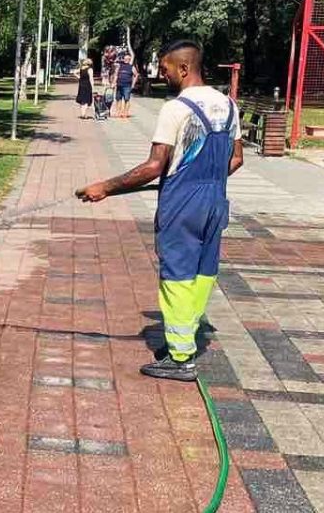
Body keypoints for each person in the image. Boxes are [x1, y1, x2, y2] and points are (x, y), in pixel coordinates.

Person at [73, 39, 244, 381]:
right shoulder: (228, 105)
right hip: (215, 201)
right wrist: (202, 178)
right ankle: (184, 340)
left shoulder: (175, 109)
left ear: (184, 68)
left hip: (182, 204)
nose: (163, 75)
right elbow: (236, 159)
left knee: (177, 274)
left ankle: (180, 359)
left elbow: (154, 166)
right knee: (202, 273)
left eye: (165, 70)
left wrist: (104, 187)